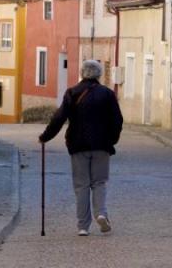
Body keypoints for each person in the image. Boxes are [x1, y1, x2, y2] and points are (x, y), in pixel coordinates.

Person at [39, 60, 123, 236]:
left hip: (78, 145)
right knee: (99, 182)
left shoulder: (72, 93)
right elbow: (117, 120)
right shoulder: (107, 94)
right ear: (99, 75)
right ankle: (101, 213)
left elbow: (59, 118)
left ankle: (83, 226)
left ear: (82, 73)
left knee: (81, 185)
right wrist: (112, 140)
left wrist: (46, 136)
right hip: (102, 145)